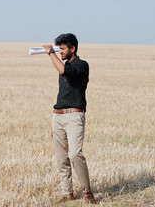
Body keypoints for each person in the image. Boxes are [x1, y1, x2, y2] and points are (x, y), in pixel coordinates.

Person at [42, 33, 96, 204]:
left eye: (63, 48)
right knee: (61, 158)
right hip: (58, 117)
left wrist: (50, 53)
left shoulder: (82, 65)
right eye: (59, 48)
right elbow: (61, 95)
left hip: (74, 116)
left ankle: (87, 192)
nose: (60, 52)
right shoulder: (63, 64)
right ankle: (68, 195)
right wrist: (54, 123)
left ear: (73, 48)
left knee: (74, 154)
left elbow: (65, 70)